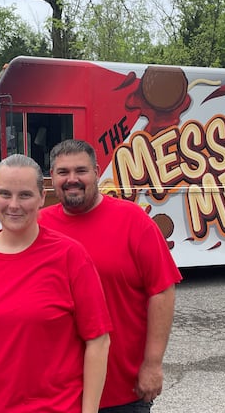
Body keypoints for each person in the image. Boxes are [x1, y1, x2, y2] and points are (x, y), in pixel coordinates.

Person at [0, 154, 112, 413]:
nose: (13, 205)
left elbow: (98, 341)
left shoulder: (69, 256)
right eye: (5, 194)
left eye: (25, 195)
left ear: (42, 197)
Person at [39, 139, 183, 413]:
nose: (72, 179)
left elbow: (161, 292)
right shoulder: (39, 226)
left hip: (122, 390)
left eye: (80, 171)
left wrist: (152, 363)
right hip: (57, 392)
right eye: (62, 172)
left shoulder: (133, 221)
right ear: (52, 178)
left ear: (96, 172)